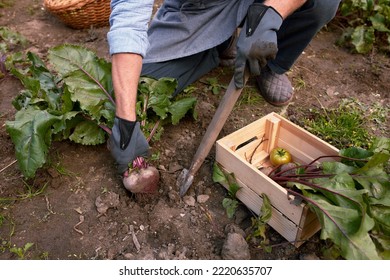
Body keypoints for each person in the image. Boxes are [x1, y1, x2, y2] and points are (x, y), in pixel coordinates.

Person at [107, 0, 341, 175]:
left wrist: (270, 14)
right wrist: (126, 121)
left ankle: (271, 64)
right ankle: (219, 40)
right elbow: (128, 22)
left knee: (323, 2)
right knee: (138, 85)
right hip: (201, 9)